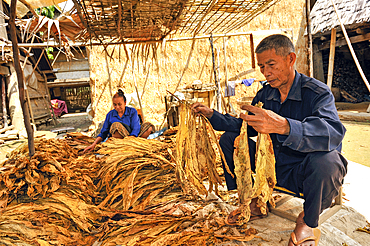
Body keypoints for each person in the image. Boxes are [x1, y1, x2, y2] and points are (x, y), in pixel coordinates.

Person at [192, 34, 347, 246]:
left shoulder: (317, 93)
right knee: (230, 140)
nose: (266, 72)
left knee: (328, 161)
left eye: (271, 64)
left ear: (291, 59)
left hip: (305, 172)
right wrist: (212, 115)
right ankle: (253, 201)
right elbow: (243, 126)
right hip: (272, 169)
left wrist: (285, 126)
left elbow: (332, 132)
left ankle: (307, 221)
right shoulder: (265, 95)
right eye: (262, 66)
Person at [83, 89, 155, 153]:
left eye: (119, 104)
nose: (117, 107)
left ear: (125, 103)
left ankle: (133, 146)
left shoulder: (132, 112)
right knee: (116, 126)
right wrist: (94, 144)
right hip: (118, 141)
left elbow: (136, 128)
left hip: (132, 138)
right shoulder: (110, 115)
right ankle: (123, 148)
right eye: (115, 105)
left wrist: (131, 139)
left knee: (148, 126)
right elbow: (103, 133)